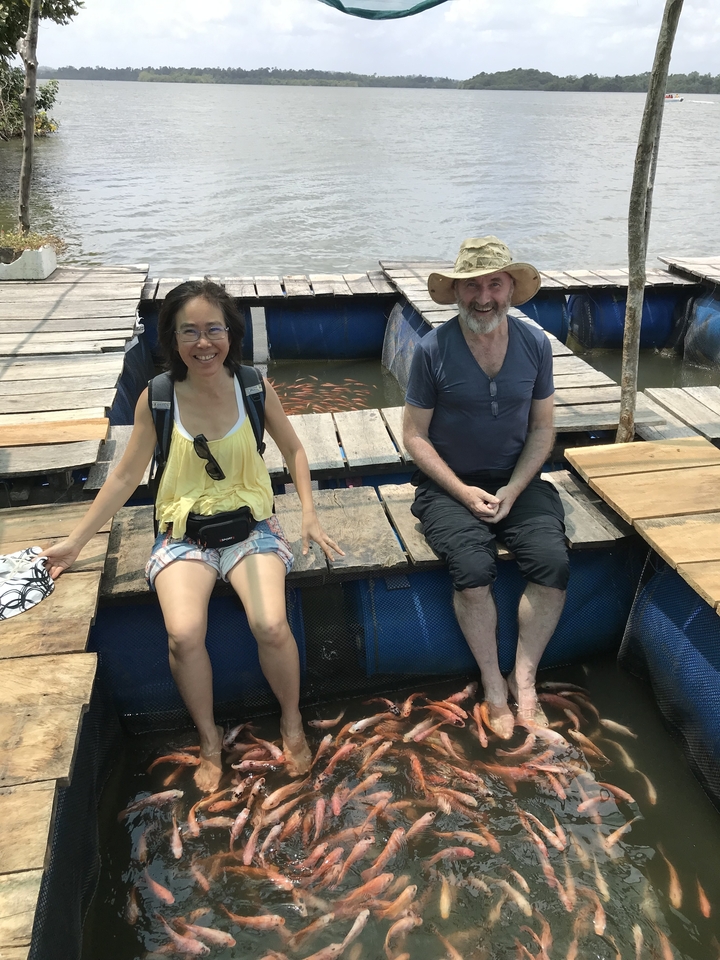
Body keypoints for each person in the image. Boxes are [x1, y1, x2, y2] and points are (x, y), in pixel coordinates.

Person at [43, 280, 342, 791]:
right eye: (190, 333)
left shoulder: (251, 385)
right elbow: (123, 477)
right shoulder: (158, 398)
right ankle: (208, 739)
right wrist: (76, 541)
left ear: (231, 333)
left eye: (213, 330)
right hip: (184, 537)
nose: (203, 344)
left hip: (252, 531)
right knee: (183, 634)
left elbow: (294, 450)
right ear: (172, 340)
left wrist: (309, 513)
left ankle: (291, 720)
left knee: (271, 624)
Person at [403, 237, 569, 740]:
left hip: (517, 480)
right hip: (448, 485)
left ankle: (525, 679)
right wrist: (462, 491)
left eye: (494, 283)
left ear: (511, 289)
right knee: (473, 570)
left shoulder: (535, 345)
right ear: (455, 291)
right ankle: (493, 686)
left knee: (553, 563)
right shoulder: (433, 350)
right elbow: (414, 435)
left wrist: (516, 489)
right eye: (471, 285)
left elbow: (543, 428)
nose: (483, 296)